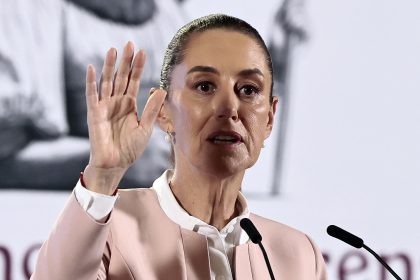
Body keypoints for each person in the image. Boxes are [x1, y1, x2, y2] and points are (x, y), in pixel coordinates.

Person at [30, 14, 327, 280]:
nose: (229, 108)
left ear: (269, 120)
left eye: (248, 89)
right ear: (163, 111)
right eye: (204, 86)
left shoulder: (299, 254)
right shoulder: (106, 226)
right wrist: (103, 174)